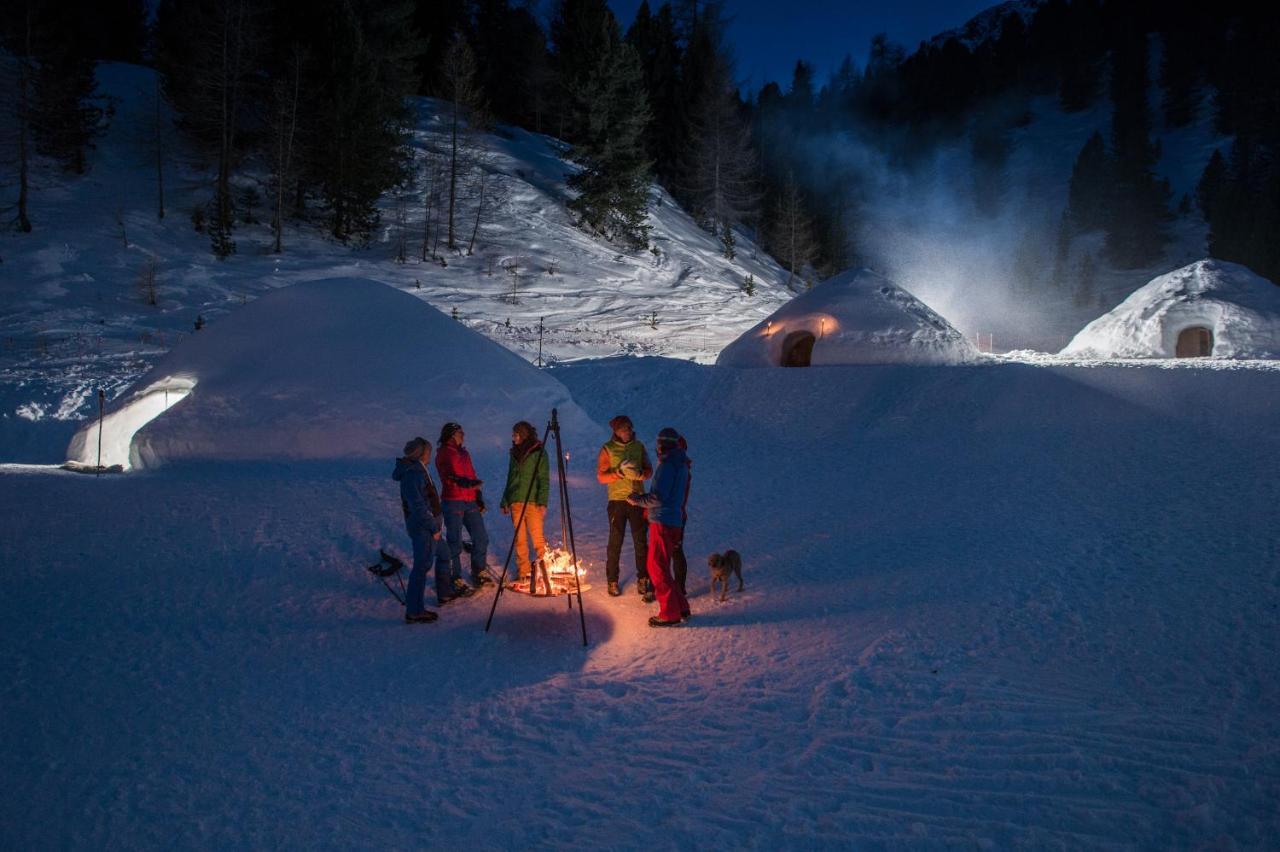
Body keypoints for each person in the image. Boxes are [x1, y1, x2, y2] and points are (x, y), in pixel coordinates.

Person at [628, 427, 691, 627]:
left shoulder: (667, 466)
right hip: (673, 520)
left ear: (662, 444)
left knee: (656, 567)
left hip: (663, 520)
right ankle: (680, 606)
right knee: (662, 566)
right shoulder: (681, 464)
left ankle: (669, 613)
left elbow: (657, 497)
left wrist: (638, 500)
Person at [392, 437, 456, 622]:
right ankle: (415, 611)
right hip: (424, 529)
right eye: (428, 451)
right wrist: (433, 526)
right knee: (421, 567)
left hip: (431, 527)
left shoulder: (419, 470)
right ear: (420, 453)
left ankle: (444, 593)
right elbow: (418, 506)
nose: (431, 454)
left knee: (444, 554)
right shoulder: (412, 475)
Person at [596, 415, 653, 599]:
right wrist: (619, 473)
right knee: (615, 542)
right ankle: (612, 580)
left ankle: (643, 579)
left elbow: (648, 470)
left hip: (637, 500)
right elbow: (601, 477)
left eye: (628, 428)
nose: (627, 431)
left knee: (640, 542)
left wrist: (640, 474)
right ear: (616, 431)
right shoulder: (608, 449)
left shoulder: (639, 446)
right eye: (623, 429)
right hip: (617, 502)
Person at [436, 421, 492, 589]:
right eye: (461, 432)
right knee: (455, 541)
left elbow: (472, 475)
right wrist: (464, 483)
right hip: (453, 501)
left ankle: (479, 571)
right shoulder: (445, 453)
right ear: (452, 434)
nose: (463, 435)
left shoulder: (464, 453)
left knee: (481, 537)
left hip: (470, 501)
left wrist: (478, 495)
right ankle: (455, 578)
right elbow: (447, 476)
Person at [499, 420, 550, 583]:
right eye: (513, 434)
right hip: (516, 501)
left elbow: (544, 478)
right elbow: (510, 478)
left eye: (515, 434)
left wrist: (542, 501)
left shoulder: (538, 452)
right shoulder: (513, 453)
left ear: (523, 434)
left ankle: (545, 569)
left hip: (532, 500)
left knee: (537, 537)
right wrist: (505, 500)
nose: (513, 437)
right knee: (519, 538)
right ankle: (524, 571)